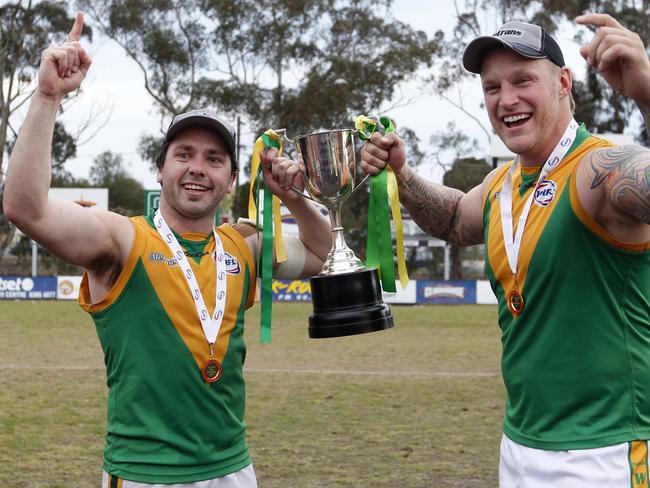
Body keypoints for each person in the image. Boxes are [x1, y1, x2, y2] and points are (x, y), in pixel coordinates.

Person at [2, 11, 331, 488]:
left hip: (233, 470)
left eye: (214, 159)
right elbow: (25, 208)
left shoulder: (246, 245)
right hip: (143, 474)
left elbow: (321, 257)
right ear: (160, 171)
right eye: (184, 155)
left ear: (230, 179)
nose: (198, 168)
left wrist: (293, 198)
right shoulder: (123, 240)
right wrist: (48, 96)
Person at [361, 13, 650, 487]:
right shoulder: (502, 185)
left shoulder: (600, 168)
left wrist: (646, 94)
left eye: (522, 80)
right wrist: (402, 176)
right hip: (519, 445)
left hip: (606, 449)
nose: (506, 99)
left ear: (562, 83)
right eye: (493, 87)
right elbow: (455, 219)